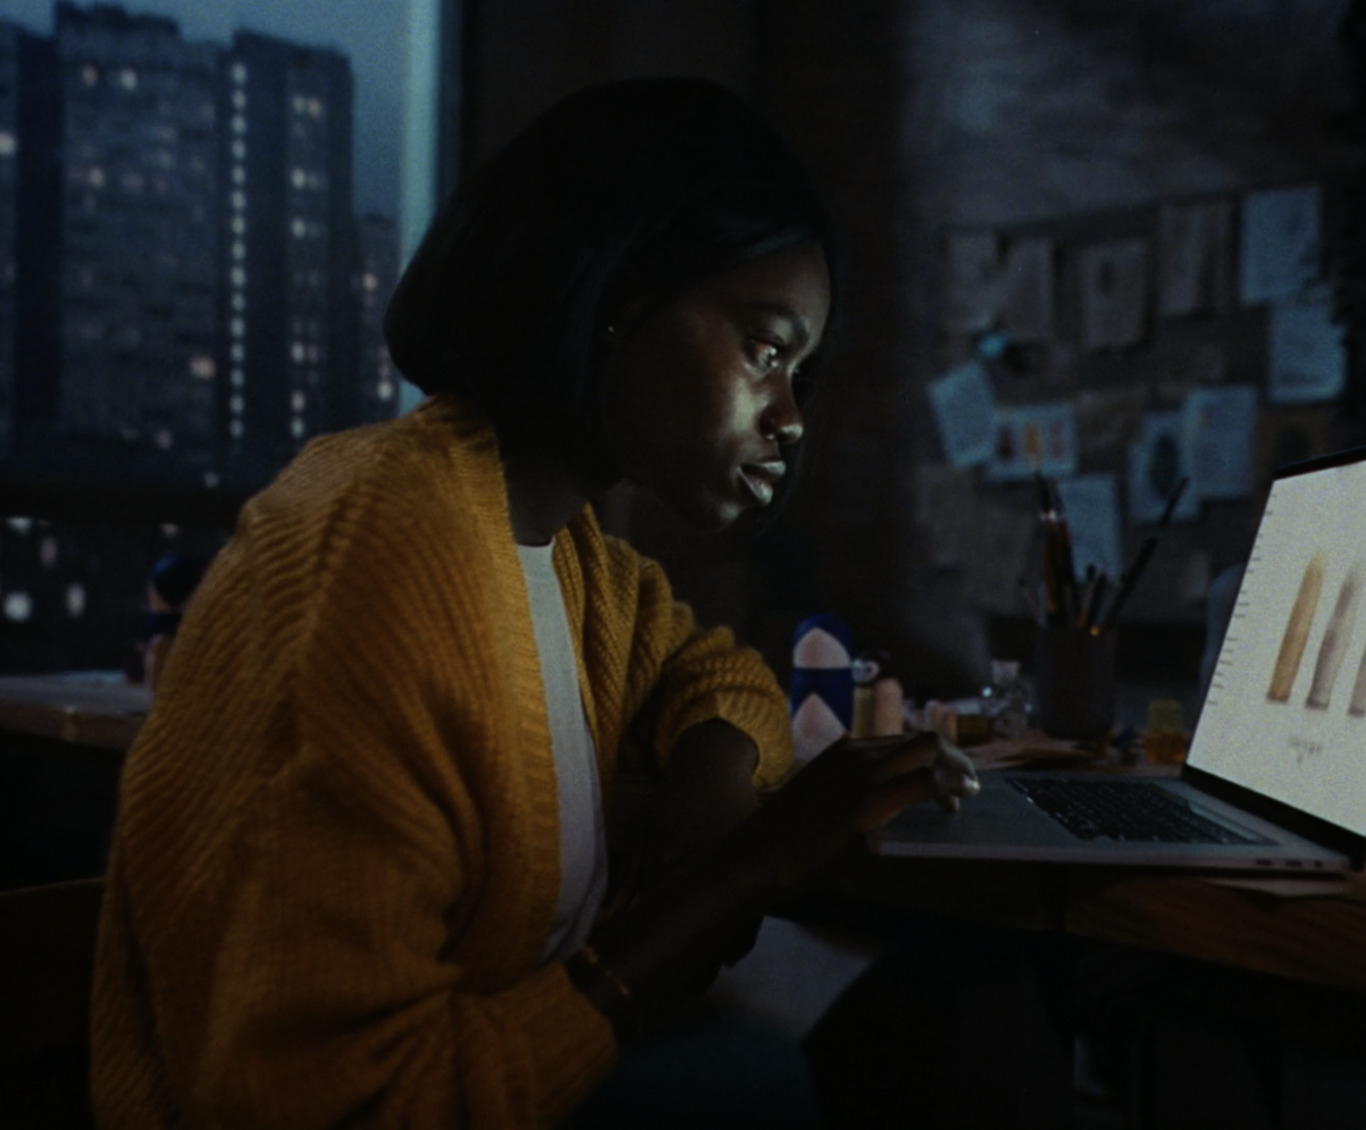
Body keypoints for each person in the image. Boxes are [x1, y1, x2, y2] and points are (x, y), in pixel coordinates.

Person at [90, 77, 978, 1128]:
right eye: (764, 345)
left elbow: (716, 673)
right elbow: (339, 1101)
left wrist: (713, 777)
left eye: (803, 372)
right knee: (785, 1082)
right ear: (619, 294)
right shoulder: (385, 557)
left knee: (953, 997)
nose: (789, 414)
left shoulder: (568, 554)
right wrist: (738, 874)